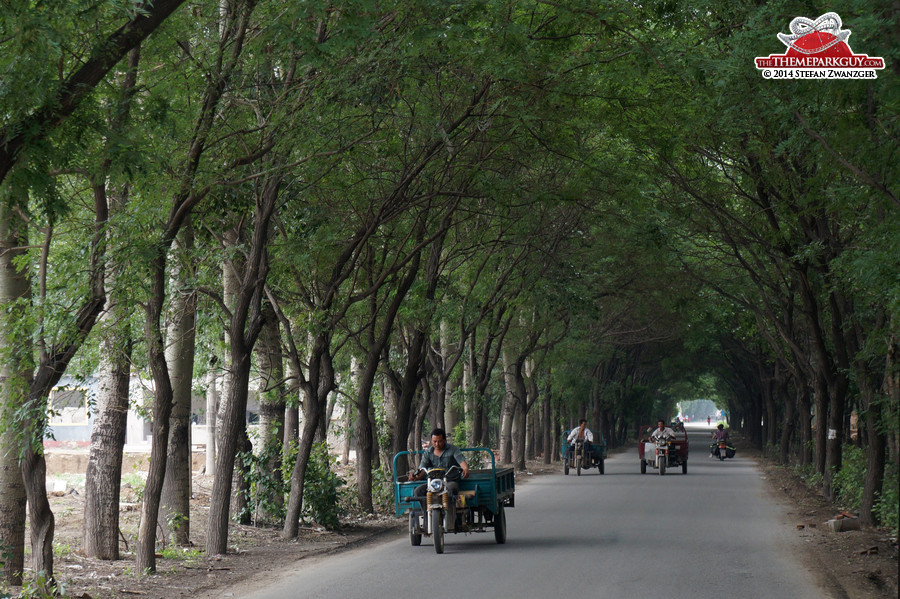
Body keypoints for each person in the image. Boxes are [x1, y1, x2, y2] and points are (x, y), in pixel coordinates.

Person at [410, 428, 469, 499]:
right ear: (431, 441)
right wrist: (416, 477)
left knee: (452, 489)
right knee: (418, 491)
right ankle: (426, 510)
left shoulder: (453, 449)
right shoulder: (428, 452)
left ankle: (451, 509)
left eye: (440, 441)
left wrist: (465, 469)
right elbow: (422, 468)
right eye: (434, 441)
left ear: (444, 440)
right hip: (433, 482)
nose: (437, 444)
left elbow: (462, 462)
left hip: (449, 481)